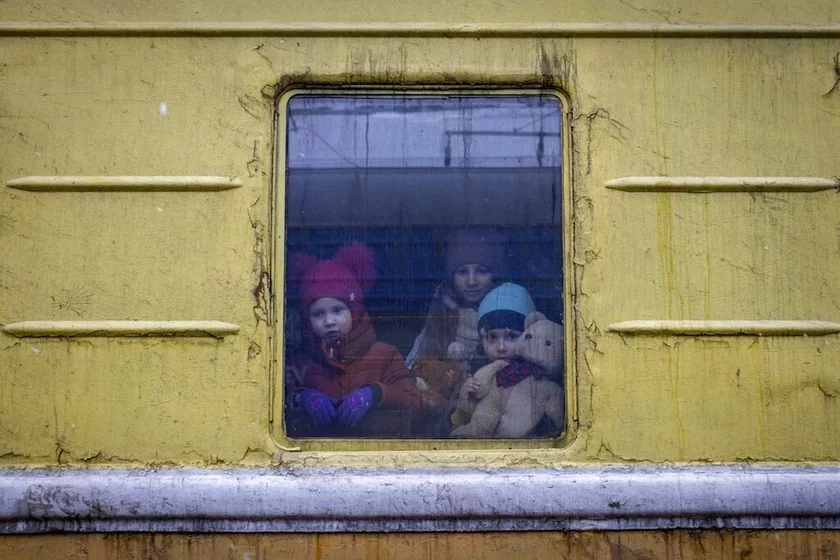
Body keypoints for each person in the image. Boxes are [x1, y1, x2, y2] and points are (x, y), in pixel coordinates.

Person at [286, 243, 421, 437]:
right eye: (318, 314)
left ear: (354, 311)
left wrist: (376, 394)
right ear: (307, 319)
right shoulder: (300, 362)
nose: (329, 321)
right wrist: (300, 397)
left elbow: (414, 404)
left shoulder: (385, 355)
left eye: (338, 310)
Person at [406, 229, 509, 372]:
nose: (471, 281)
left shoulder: (508, 319)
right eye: (462, 272)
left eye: (481, 271)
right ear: (452, 278)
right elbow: (414, 371)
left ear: (494, 276)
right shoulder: (440, 318)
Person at [451, 282, 541, 429]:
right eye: (492, 337)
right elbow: (452, 433)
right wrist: (463, 405)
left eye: (512, 336)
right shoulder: (474, 378)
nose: (501, 347)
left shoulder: (538, 377)